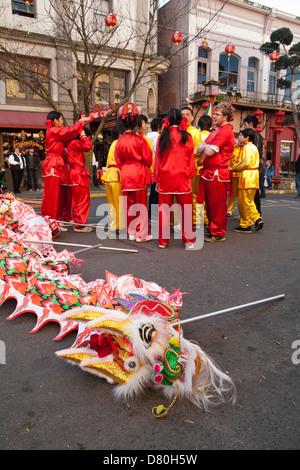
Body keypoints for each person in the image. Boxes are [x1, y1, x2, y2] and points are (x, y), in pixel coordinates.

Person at [154, 108, 195, 249]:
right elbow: (191, 159)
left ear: (168, 120)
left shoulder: (162, 136)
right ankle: (188, 240)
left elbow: (158, 160)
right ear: (181, 119)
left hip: (166, 177)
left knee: (164, 211)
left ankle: (163, 241)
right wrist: (189, 174)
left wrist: (157, 178)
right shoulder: (187, 136)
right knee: (186, 211)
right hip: (183, 177)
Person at [41, 110, 92, 222]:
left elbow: (70, 133)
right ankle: (52, 220)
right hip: (53, 165)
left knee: (57, 195)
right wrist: (81, 121)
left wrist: (81, 124)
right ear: (55, 121)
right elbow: (70, 131)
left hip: (56, 164)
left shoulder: (53, 132)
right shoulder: (54, 130)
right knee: (53, 195)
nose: (62, 122)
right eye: (61, 119)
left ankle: (55, 219)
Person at [196, 102, 235, 243]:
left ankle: (218, 231)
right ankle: (214, 229)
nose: (214, 116)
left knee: (217, 204)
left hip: (218, 173)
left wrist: (206, 146)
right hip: (210, 172)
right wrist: (206, 146)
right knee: (210, 204)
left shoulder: (225, 131)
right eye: (215, 113)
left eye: (217, 114)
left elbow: (209, 151)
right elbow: (200, 148)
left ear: (225, 117)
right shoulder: (216, 131)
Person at [115, 112, 153, 242]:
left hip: (125, 173)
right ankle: (141, 234)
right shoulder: (140, 140)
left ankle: (131, 232)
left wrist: (125, 168)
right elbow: (148, 160)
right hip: (138, 173)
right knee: (141, 204)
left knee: (129, 205)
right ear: (136, 125)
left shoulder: (119, 142)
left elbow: (118, 160)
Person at [233, 128, 263, 233]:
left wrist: (233, 167)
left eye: (241, 135)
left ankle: (245, 225)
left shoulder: (247, 148)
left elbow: (244, 163)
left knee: (243, 202)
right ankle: (256, 218)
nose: (239, 137)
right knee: (250, 201)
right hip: (254, 176)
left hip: (247, 175)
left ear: (247, 138)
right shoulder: (253, 147)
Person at [67, 129, 93, 232]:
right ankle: (80, 224)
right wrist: (83, 135)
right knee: (82, 200)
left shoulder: (73, 144)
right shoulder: (75, 143)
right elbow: (88, 146)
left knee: (78, 200)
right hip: (78, 174)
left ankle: (78, 223)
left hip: (76, 173)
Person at [101, 122, 125, 232]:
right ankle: (119, 226)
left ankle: (113, 224)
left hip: (109, 175)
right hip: (116, 175)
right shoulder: (120, 144)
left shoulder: (112, 145)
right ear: (120, 134)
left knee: (111, 203)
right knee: (118, 202)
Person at [181, 107, 202, 227]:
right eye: (182, 115)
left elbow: (199, 151)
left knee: (192, 194)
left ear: (192, 117)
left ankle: (193, 220)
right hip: (179, 168)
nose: (185, 117)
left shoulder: (194, 132)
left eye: (187, 115)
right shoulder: (178, 131)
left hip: (191, 166)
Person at [243, 115, 264, 212]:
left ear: (250, 124)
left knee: (251, 194)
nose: (244, 127)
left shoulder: (252, 136)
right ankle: (253, 214)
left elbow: (255, 152)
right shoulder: (258, 135)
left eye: (245, 124)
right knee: (253, 193)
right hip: (255, 168)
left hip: (251, 169)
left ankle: (254, 215)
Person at [146, 117, 163, 221]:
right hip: (156, 169)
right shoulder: (158, 138)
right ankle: (154, 216)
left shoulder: (146, 137)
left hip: (148, 169)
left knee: (152, 193)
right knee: (156, 193)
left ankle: (150, 215)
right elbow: (159, 153)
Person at [197, 114, 212, 226]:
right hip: (210, 169)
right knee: (208, 195)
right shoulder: (214, 136)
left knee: (197, 195)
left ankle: (198, 218)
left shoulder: (197, 135)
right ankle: (207, 218)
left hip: (197, 168)